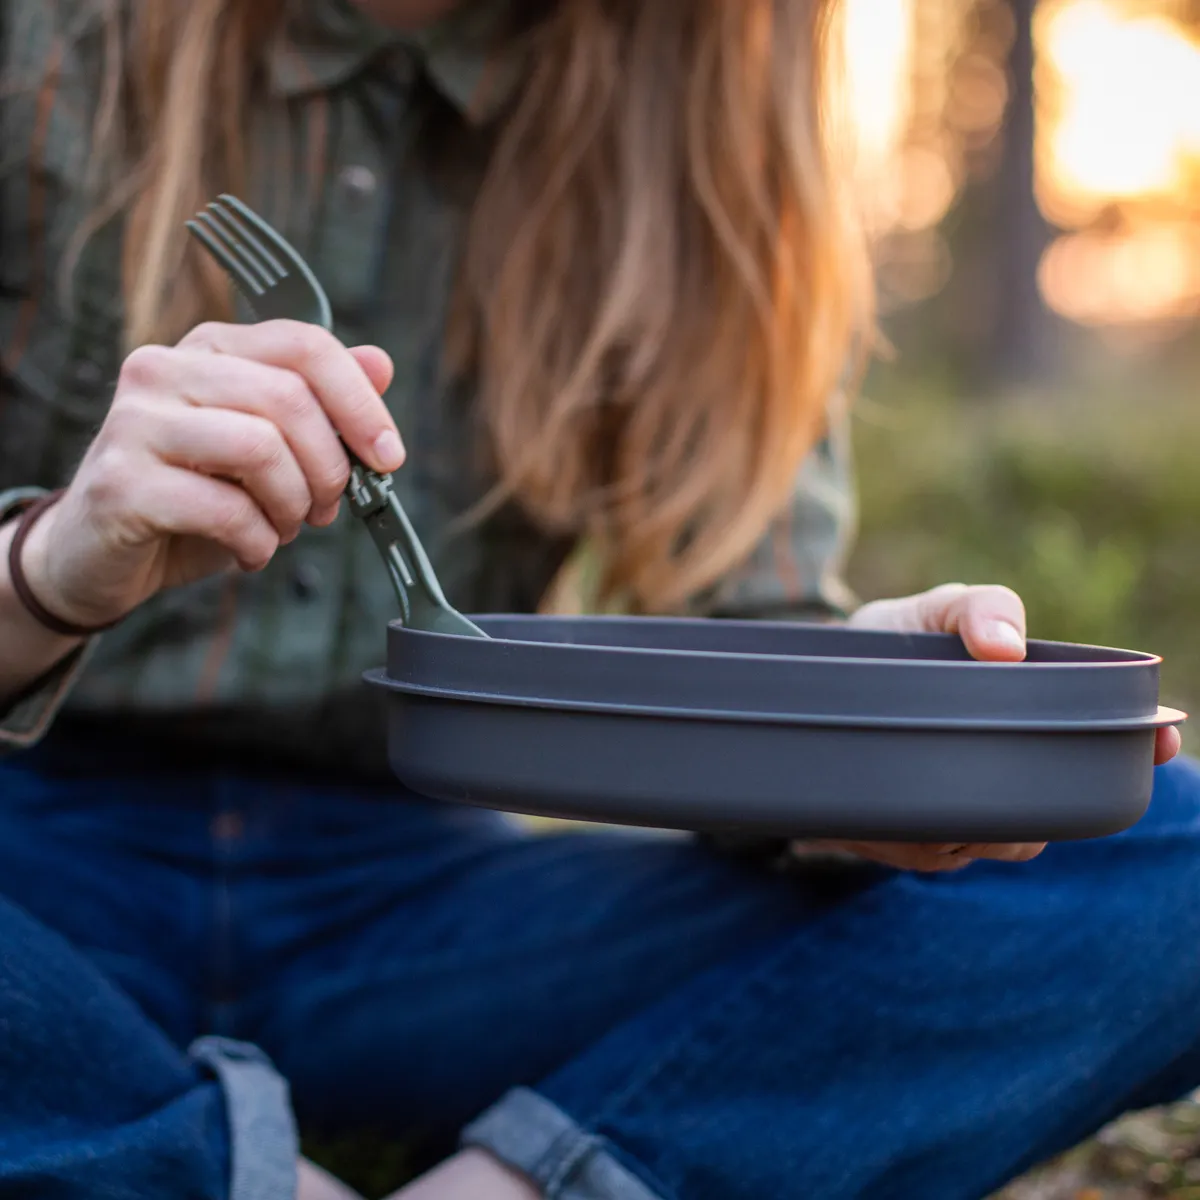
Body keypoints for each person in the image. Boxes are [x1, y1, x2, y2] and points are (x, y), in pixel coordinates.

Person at [0, 1, 1195, 1198]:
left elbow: (752, 625)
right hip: (34, 883)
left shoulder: (697, 103)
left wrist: (859, 740)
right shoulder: (50, 42)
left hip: (439, 928)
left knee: (1174, 853)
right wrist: (50, 568)